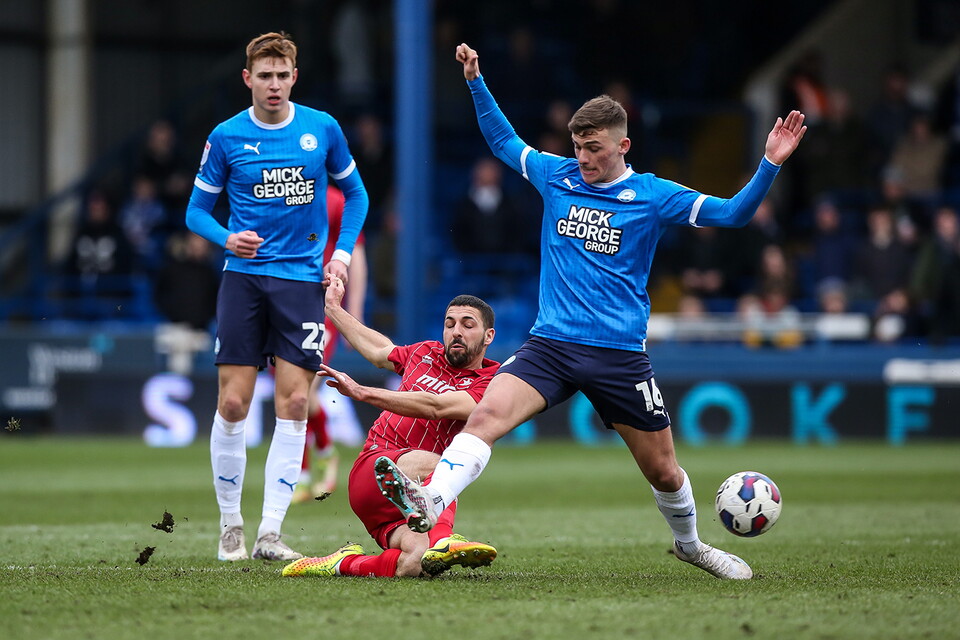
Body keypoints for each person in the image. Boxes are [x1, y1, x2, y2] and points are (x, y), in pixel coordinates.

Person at [373, 42, 806, 581]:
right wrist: (475, 80)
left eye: (594, 148)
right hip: (550, 344)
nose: (582, 158)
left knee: (664, 471)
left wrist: (769, 163)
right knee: (485, 416)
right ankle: (432, 503)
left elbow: (735, 214)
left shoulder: (653, 195)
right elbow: (505, 141)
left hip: (619, 355)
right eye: (577, 146)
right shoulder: (557, 177)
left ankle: (691, 546)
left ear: (623, 145)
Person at [185, 32, 368, 562]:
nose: (273, 84)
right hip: (243, 279)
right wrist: (226, 238)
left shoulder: (322, 129)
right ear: (247, 79)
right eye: (263, 75)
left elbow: (355, 194)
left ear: (294, 77)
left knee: (293, 402)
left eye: (281, 74)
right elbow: (196, 211)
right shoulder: (225, 137)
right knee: (234, 402)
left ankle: (269, 533)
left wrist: (342, 254)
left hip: (301, 282)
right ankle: (230, 528)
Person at [282, 277, 499, 578]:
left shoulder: (493, 382)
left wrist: (365, 393)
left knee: (416, 563)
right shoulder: (425, 353)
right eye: (449, 324)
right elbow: (378, 350)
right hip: (377, 467)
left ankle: (339, 565)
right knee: (445, 466)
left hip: (412, 498)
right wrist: (332, 308)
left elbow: (437, 407)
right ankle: (444, 539)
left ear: (489, 335)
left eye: (467, 324)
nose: (456, 332)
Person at [291, 184, 368, 504]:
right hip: (287, 303)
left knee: (303, 390)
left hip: (324, 306)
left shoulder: (337, 200)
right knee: (292, 393)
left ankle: (307, 471)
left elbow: (357, 257)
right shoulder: (285, 193)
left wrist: (355, 316)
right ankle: (321, 456)